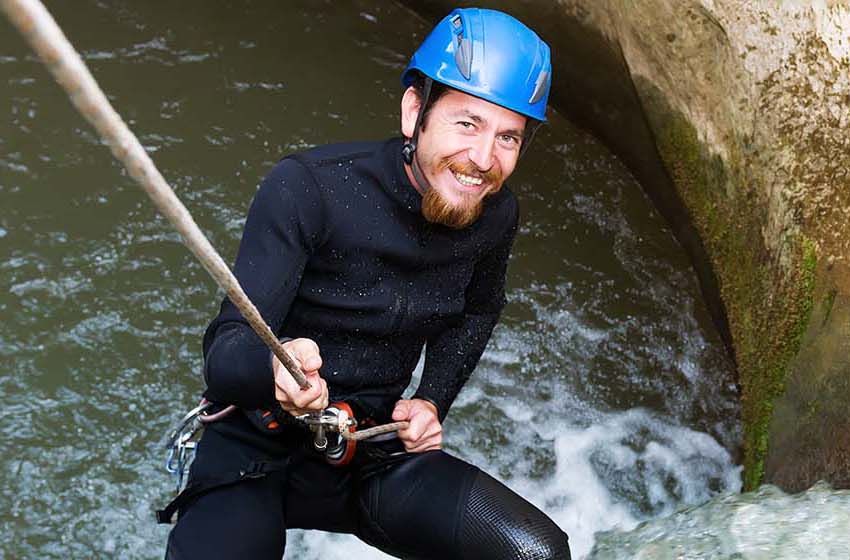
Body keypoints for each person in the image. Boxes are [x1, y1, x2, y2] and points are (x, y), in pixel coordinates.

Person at [160, 8, 568, 559]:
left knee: (535, 553)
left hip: (367, 447)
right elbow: (226, 354)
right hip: (255, 442)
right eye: (466, 124)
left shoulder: (494, 213)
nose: (482, 160)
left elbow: (478, 310)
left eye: (509, 138)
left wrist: (431, 401)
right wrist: (277, 371)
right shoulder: (309, 189)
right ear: (414, 111)